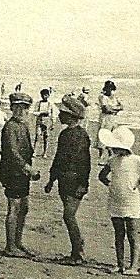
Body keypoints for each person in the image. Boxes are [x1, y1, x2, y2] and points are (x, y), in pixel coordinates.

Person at [98, 126, 140, 275]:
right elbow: (101, 176)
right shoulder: (112, 160)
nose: (111, 148)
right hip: (116, 199)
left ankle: (134, 266)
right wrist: (110, 185)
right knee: (119, 233)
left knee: (132, 233)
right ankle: (120, 264)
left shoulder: (137, 160)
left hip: (131, 200)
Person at [43, 93, 91, 264]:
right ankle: (76, 250)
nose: (59, 115)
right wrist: (51, 179)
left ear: (70, 116)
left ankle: (78, 251)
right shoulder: (65, 134)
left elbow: (84, 163)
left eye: (62, 113)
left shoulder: (80, 135)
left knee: (68, 216)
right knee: (68, 215)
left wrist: (83, 184)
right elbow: (58, 159)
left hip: (74, 181)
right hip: (65, 180)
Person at [0, 92, 40, 258]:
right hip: (12, 172)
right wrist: (28, 168)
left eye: (25, 108)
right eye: (18, 108)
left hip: (22, 172)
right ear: (12, 108)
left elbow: (27, 150)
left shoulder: (23, 126)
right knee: (14, 207)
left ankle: (18, 241)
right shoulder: (10, 127)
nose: (22, 111)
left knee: (24, 207)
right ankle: (10, 245)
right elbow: (12, 152)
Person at [96, 80, 123, 156]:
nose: (110, 90)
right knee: (103, 135)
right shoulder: (102, 97)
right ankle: (101, 155)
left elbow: (121, 107)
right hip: (105, 118)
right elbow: (106, 109)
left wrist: (112, 108)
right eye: (108, 88)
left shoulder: (115, 97)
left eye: (111, 88)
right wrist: (115, 108)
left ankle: (110, 154)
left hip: (113, 118)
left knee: (112, 136)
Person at [33, 88, 54, 157]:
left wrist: (53, 123)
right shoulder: (38, 103)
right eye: (42, 95)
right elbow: (34, 112)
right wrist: (41, 113)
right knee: (38, 136)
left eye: (45, 95)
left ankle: (44, 153)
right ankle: (35, 151)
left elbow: (52, 114)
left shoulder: (50, 104)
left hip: (47, 121)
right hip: (39, 121)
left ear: (48, 95)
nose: (44, 96)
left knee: (46, 137)